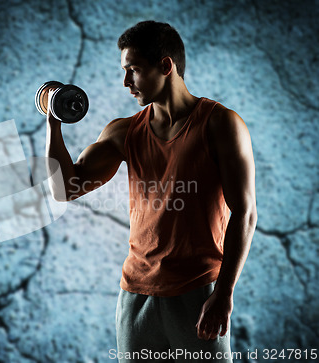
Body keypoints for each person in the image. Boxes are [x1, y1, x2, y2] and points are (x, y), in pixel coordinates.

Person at [45, 20, 257, 362]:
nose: (126, 83)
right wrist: (53, 121)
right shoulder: (123, 131)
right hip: (135, 294)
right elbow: (64, 189)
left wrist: (224, 293)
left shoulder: (221, 124)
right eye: (124, 71)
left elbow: (245, 213)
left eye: (134, 70)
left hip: (198, 291)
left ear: (166, 66)